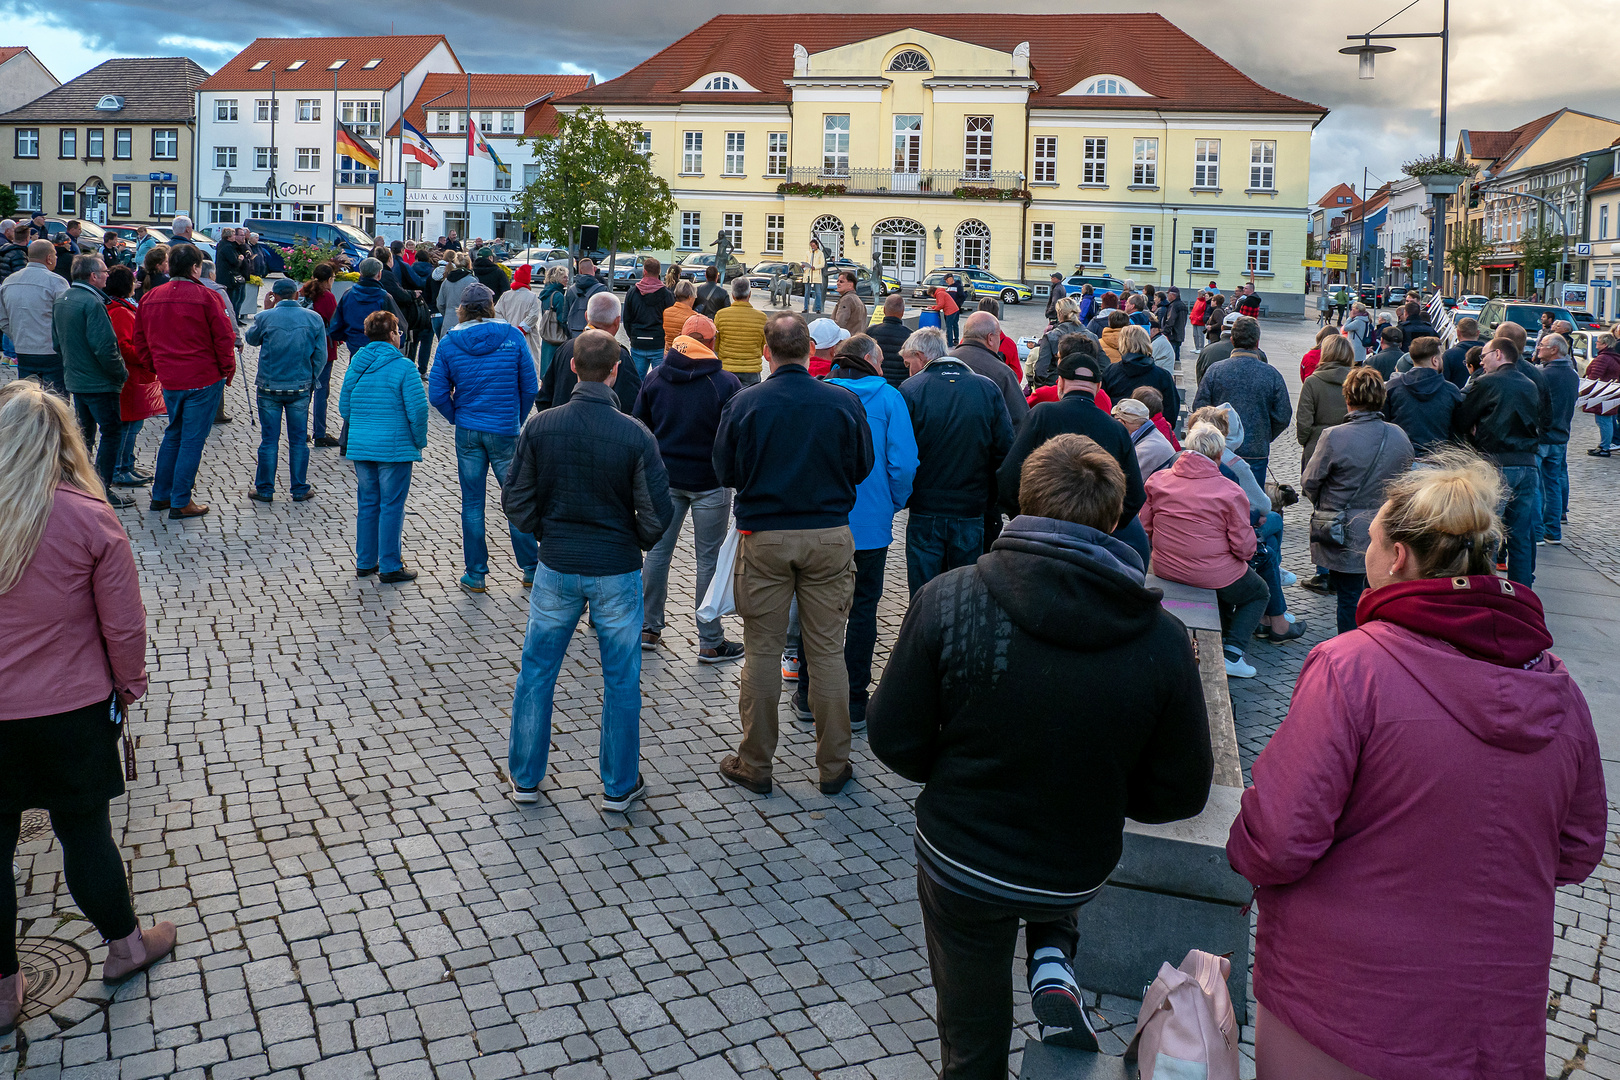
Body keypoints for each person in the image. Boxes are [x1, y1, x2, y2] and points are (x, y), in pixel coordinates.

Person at [1226, 452, 1606, 1080]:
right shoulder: (1559, 693)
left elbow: (1278, 838)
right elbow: (1578, 847)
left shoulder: (1352, 668)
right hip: (1492, 1014)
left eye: (1373, 539)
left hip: (1341, 1002)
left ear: (1397, 556)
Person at [871, 431, 1212, 1073]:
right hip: (1074, 862)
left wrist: (952, 772)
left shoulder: (948, 599)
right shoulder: (1162, 641)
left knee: (971, 1037)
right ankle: (1053, 949)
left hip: (963, 856)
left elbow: (893, 738)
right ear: (1116, 518)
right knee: (1051, 865)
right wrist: (1104, 791)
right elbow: (1182, 791)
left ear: (1020, 504)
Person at [0, 382, 178, 1030]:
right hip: (69, 709)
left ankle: (4, 987)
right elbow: (123, 628)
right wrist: (128, 687)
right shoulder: (87, 516)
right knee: (84, 834)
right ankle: (125, 947)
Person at [502, 328, 673, 812]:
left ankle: (526, 779)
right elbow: (657, 516)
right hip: (616, 569)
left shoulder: (541, 426)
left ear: (572, 367)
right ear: (616, 370)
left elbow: (515, 500)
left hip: (557, 565)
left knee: (536, 672)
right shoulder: (635, 435)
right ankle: (619, 785)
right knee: (621, 679)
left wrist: (547, 533)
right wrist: (629, 541)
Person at [713, 312, 874, 798]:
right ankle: (833, 765)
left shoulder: (746, 404)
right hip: (827, 534)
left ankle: (755, 762)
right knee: (826, 649)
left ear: (767, 352)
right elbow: (862, 466)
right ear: (810, 350)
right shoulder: (842, 402)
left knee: (761, 649)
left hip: (765, 534)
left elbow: (723, 469)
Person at [792, 335, 916, 730]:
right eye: (880, 364)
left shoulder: (820, 394)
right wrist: (892, 503)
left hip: (821, 519)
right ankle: (856, 700)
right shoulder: (889, 398)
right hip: (870, 525)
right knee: (863, 609)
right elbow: (904, 462)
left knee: (817, 608)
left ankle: (807, 695)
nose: (882, 370)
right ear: (869, 360)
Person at [633, 314, 744, 662]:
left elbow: (640, 427)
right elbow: (735, 436)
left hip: (665, 481)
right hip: (711, 483)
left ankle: (648, 628)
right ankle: (710, 640)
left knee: (657, 554)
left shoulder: (654, 378)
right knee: (708, 559)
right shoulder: (726, 383)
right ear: (711, 344)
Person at [428, 281, 541, 593]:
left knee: (472, 503)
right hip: (504, 428)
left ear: (462, 309)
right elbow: (530, 386)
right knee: (516, 499)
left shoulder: (451, 342)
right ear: (492, 306)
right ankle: (531, 568)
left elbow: (437, 392)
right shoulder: (512, 336)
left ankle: (476, 573)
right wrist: (516, 418)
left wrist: (456, 416)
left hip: (469, 431)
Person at [998, 338, 1150, 564]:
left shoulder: (1042, 415)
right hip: (1092, 543)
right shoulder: (1116, 429)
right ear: (1098, 388)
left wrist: (1025, 519)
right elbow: (1135, 496)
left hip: (1040, 537)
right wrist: (1104, 528)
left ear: (1060, 384)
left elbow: (1007, 478)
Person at [1141, 421, 1270, 678]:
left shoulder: (1157, 481)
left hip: (1167, 566)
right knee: (1258, 593)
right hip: (1213, 573)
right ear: (1219, 455)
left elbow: (1145, 527)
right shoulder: (1230, 492)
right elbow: (1244, 549)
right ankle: (1233, 653)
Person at [899, 325, 1014, 596]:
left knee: (923, 593)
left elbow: (901, 454)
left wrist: (904, 497)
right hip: (970, 509)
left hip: (925, 508)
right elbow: (1005, 450)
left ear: (922, 356)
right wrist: (990, 500)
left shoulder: (911, 390)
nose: (908, 370)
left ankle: (924, 637)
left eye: (908, 363)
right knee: (963, 594)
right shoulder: (987, 389)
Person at [1302, 368, 1414, 634]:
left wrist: (1328, 502)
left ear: (1348, 398)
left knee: (1349, 598)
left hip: (1345, 531)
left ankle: (1351, 652)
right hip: (1386, 529)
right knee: (1379, 596)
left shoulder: (1334, 436)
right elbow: (1406, 479)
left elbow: (1310, 482)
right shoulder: (1399, 435)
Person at [132, 243, 234, 521]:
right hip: (201, 376)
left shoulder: (151, 297)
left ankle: (161, 494)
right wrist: (226, 370)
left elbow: (139, 340)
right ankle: (180, 499)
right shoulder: (206, 296)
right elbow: (223, 337)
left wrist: (156, 366)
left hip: (171, 377)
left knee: (174, 433)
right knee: (191, 439)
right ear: (195, 268)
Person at [339, 310, 429, 584]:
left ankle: (365, 561)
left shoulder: (357, 363)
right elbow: (418, 411)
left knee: (368, 503)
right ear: (392, 335)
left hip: (362, 446)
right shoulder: (404, 367)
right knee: (392, 505)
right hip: (394, 447)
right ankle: (390, 564)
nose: (400, 336)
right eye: (398, 332)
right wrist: (419, 440)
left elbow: (345, 407)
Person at [1453, 337, 1543, 586]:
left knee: (1488, 534)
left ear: (1499, 354)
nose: (1481, 361)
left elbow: (1461, 420)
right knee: (1521, 536)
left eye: (1484, 355)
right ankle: (1522, 593)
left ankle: (1487, 590)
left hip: (1496, 463)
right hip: (1527, 464)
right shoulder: (1530, 384)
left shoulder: (1486, 383)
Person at [54, 254, 129, 506]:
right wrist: (121, 373)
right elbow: (105, 348)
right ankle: (101, 488)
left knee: (85, 435)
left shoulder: (63, 298)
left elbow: (57, 343)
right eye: (104, 271)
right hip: (99, 381)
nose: (108, 275)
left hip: (75, 378)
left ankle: (81, 484)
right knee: (110, 432)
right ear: (93, 276)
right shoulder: (92, 302)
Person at [245, 277, 325, 503]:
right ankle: (299, 487)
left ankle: (265, 489)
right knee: (299, 439)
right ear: (296, 295)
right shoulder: (313, 318)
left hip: (269, 386)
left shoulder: (265, 317)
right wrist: (311, 378)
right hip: (299, 386)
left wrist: (266, 311)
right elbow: (320, 355)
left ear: (275, 295)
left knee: (269, 440)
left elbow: (251, 339)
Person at [1191, 316, 1290, 482]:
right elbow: (1283, 415)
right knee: (1252, 504)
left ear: (1232, 340)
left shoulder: (1215, 371)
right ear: (1257, 342)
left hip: (1220, 450)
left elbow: (1200, 409)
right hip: (1255, 451)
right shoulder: (1271, 374)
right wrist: (1264, 434)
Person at [103, 267, 162, 489]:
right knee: (129, 424)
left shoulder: (121, 307)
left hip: (133, 374)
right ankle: (120, 468)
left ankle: (127, 464)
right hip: (130, 376)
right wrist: (148, 356)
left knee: (133, 423)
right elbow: (124, 346)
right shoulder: (120, 311)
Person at [539, 291, 641, 413]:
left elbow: (544, 396)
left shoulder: (565, 349)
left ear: (586, 316)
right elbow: (633, 404)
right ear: (617, 321)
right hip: (606, 428)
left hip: (559, 426)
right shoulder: (619, 355)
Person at [0, 239, 70, 394]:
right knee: (56, 401)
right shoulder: (57, 282)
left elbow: (3, 320)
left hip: (23, 350)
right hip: (52, 351)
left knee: (28, 398)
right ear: (49, 258)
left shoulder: (9, 281)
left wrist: (17, 335)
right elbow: (66, 317)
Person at [1534, 331, 1578, 546]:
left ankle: (1537, 531)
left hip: (1542, 437)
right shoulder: (1572, 375)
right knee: (1552, 483)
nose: (1538, 348)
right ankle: (1553, 531)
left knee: (1536, 486)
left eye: (1542, 345)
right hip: (1561, 436)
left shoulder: (1543, 375)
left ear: (1554, 349)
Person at [1384, 336, 1462, 455]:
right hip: (1437, 459)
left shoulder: (1392, 387)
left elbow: (1384, 424)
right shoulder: (1451, 391)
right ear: (1435, 360)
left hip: (1400, 456)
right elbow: (1457, 431)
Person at [950, 310, 1028, 426]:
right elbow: (1021, 420)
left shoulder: (942, 362)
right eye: (999, 335)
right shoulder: (1002, 373)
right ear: (990, 338)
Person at [1296, 333, 1356, 474]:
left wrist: (1307, 441)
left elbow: (1304, 421)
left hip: (1318, 446)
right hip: (1351, 446)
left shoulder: (1312, 381)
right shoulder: (1357, 381)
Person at [1101, 324, 1179, 425]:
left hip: (1117, 430)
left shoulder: (1110, 372)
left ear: (1122, 344)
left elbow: (1103, 406)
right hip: (1152, 433)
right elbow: (1171, 413)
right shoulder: (1163, 376)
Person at [713, 277, 766, 386]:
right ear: (749, 294)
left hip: (727, 369)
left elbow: (716, 344)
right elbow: (764, 346)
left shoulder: (721, 315)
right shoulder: (761, 318)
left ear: (732, 295)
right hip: (752, 369)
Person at [1032, 297, 1092, 390]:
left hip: (1056, 386)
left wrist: (1041, 389)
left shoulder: (1051, 336)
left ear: (1059, 313)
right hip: (1086, 387)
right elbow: (1103, 365)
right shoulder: (1092, 337)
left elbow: (1040, 369)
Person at [494, 263, 541, 371]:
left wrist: (507, 326)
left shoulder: (506, 295)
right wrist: (521, 328)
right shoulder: (532, 296)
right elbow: (533, 316)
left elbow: (497, 312)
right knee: (529, 364)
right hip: (527, 337)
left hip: (507, 336)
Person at [1114, 397, 1176, 477]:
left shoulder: (1145, 450)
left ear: (1124, 422)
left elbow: (1130, 481)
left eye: (1118, 419)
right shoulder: (1151, 435)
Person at [1582, 332, 1620, 455]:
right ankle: (1605, 445)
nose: (1596, 344)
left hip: (1602, 394)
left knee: (1603, 421)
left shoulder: (1603, 358)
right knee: (1607, 420)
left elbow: (1594, 377)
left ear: (1604, 344)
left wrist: (1585, 393)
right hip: (1609, 393)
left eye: (1598, 342)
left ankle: (1604, 447)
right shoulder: (1613, 357)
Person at [868, 292, 911, 387]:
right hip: (900, 386)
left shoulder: (870, 333)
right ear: (903, 311)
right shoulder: (910, 336)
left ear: (884, 310)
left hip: (874, 385)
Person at [536, 264, 570, 378]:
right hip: (556, 335)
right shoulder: (558, 295)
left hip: (547, 334)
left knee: (546, 363)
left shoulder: (545, 293)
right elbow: (561, 319)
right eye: (564, 277)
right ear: (557, 278)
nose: (567, 279)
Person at [437, 253, 476, 336]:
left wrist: (447, 313)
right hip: (466, 323)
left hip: (448, 322)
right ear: (469, 264)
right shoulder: (472, 281)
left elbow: (440, 304)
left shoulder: (446, 281)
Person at [1441, 317, 1484, 389]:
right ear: (1478, 333)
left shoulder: (1449, 355)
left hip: (1456, 397)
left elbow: (1444, 382)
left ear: (1458, 333)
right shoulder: (1488, 353)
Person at [661, 278, 696, 349]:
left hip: (668, 353)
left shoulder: (666, 312)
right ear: (690, 297)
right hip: (684, 354)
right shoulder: (693, 316)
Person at [831, 270, 867, 338]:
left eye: (841, 281)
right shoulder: (858, 300)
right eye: (837, 281)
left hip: (846, 342)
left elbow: (839, 323)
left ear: (850, 285)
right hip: (857, 340)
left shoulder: (846, 299)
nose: (838, 283)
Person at [930, 276, 961, 348]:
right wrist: (934, 307)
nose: (932, 296)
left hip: (950, 311)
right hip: (955, 309)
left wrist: (934, 309)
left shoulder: (939, 294)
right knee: (955, 325)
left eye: (931, 295)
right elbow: (942, 303)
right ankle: (956, 340)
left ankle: (949, 343)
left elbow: (941, 305)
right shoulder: (942, 292)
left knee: (949, 326)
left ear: (932, 292)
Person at [1161, 287, 1189, 360]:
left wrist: (1164, 332)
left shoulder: (1173, 306)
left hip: (1172, 335)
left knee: (1171, 356)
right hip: (1179, 334)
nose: (1167, 296)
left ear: (1173, 295)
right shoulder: (1183, 305)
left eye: (1168, 294)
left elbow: (1170, 321)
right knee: (1176, 355)